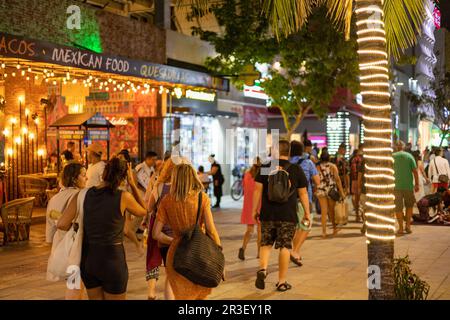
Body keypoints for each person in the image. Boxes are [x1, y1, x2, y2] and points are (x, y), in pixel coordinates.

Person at [57, 158, 147, 300]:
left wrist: (78, 227)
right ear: (123, 177)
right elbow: (144, 211)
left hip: (89, 259)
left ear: (104, 172)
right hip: (112, 259)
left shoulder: (82, 194)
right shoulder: (123, 197)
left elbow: (61, 223)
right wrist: (133, 185)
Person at [153, 160, 222, 300]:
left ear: (175, 178)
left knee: (178, 293)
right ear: (193, 177)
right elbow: (211, 230)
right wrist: (219, 253)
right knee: (199, 294)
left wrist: (174, 241)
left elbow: (156, 234)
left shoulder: (167, 201)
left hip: (176, 255)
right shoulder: (202, 198)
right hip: (199, 253)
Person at [252, 140, 311, 292]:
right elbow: (303, 193)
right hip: (288, 215)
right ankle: (281, 282)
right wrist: (307, 213)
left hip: (267, 214)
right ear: (289, 152)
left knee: (265, 243)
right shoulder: (296, 169)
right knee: (285, 247)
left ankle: (263, 269)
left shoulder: (266, 167)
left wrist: (254, 210)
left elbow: (257, 190)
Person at [46, 162, 87, 300]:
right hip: (77, 246)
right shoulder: (80, 196)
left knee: (75, 283)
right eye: (83, 175)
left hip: (61, 246)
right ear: (75, 178)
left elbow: (50, 229)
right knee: (75, 285)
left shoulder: (55, 198)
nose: (86, 178)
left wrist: (53, 248)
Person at [289, 140, 320, 266]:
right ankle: (294, 251)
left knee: (296, 228)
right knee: (306, 226)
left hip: (288, 199)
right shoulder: (307, 162)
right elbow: (317, 181)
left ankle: (295, 251)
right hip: (304, 198)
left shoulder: (286, 163)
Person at [316, 149, 346, 238]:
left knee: (324, 212)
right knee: (331, 211)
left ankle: (324, 232)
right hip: (331, 190)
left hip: (321, 190)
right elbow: (337, 180)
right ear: (328, 158)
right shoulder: (333, 166)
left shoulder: (317, 167)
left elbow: (315, 179)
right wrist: (341, 192)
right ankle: (334, 228)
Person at [393, 141, 420, 235]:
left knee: (398, 208)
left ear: (396, 147)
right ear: (403, 147)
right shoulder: (409, 156)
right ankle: (408, 226)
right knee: (409, 206)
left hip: (395, 187)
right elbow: (415, 171)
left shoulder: (392, 157)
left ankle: (400, 228)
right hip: (408, 186)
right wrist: (417, 184)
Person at [238, 157, 261, 261]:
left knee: (249, 230)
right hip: (259, 204)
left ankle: (243, 248)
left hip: (248, 205)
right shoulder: (262, 175)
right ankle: (259, 253)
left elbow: (244, 187)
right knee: (260, 230)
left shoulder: (247, 174)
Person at [349, 145, 364, 222]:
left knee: (357, 199)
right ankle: (360, 216)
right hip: (359, 180)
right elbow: (355, 171)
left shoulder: (353, 158)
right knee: (359, 199)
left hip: (355, 180)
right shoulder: (359, 159)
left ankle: (358, 216)